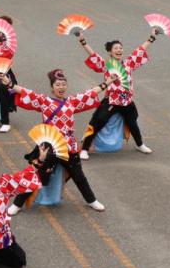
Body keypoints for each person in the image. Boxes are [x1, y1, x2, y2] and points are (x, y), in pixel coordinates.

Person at [7, 70, 107, 213]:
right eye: (58, 84)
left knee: (79, 176)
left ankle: (91, 200)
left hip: (68, 145)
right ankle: (17, 204)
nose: (61, 87)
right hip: (50, 145)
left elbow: (90, 93)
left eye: (64, 84)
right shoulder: (45, 101)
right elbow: (26, 92)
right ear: (52, 87)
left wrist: (107, 82)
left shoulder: (72, 101)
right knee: (38, 174)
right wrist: (9, 83)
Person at [78, 31, 156, 157]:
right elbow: (92, 54)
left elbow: (140, 50)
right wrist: (82, 41)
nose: (119, 50)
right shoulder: (106, 65)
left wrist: (152, 37)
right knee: (98, 121)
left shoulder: (129, 63)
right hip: (111, 100)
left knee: (133, 123)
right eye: (115, 48)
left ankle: (140, 144)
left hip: (127, 100)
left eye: (120, 48)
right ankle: (84, 149)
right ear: (110, 52)